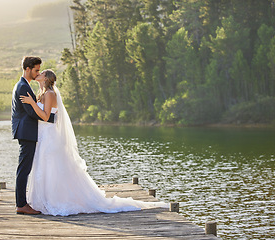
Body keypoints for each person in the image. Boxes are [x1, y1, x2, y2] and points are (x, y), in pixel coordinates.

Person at [20, 69, 168, 216]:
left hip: (50, 136)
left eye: (41, 73)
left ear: (46, 78)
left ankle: (57, 200)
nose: (38, 74)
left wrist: (33, 103)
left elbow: (46, 117)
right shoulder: (42, 93)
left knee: (52, 167)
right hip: (44, 136)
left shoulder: (50, 94)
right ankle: (44, 199)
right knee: (44, 167)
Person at [11, 56, 45, 215]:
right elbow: (31, 112)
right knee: (24, 169)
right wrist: (50, 118)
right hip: (26, 131)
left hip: (25, 131)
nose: (37, 73)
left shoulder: (23, 85)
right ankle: (21, 204)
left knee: (24, 168)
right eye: (36, 70)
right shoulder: (23, 87)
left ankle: (21, 203)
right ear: (27, 69)